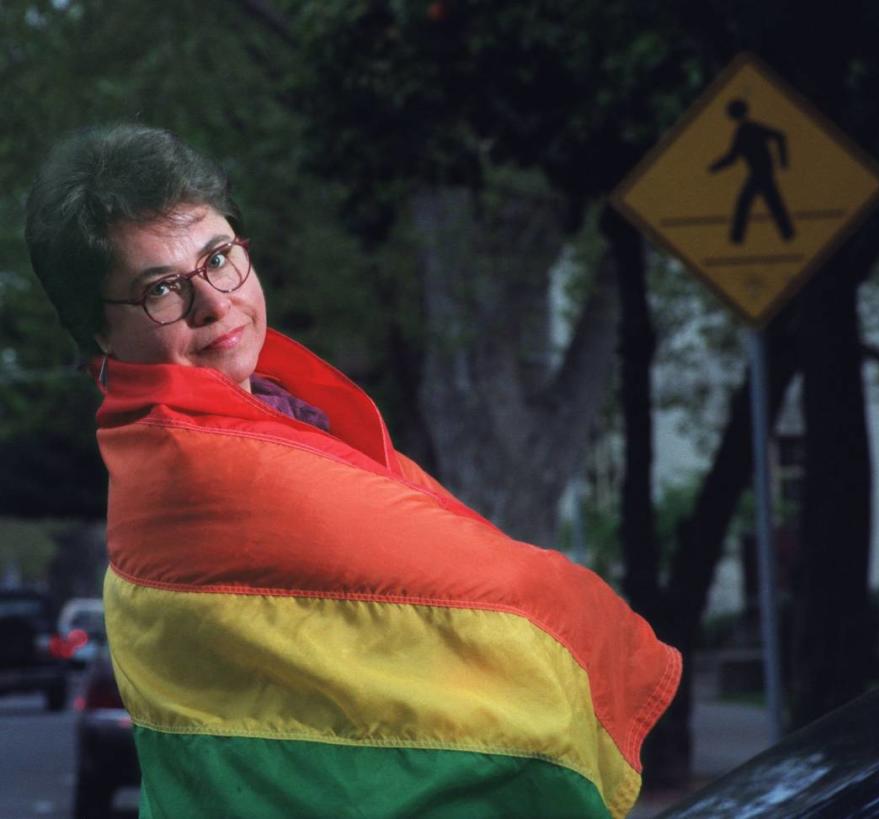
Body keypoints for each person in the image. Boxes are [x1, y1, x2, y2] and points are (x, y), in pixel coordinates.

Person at [25, 124, 680, 819]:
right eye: (161, 288)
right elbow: (506, 593)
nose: (215, 301)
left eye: (218, 256)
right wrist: (607, 647)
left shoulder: (277, 405)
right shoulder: (197, 466)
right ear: (98, 332)